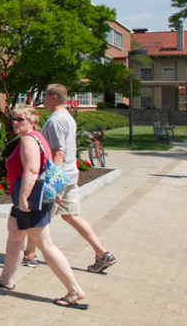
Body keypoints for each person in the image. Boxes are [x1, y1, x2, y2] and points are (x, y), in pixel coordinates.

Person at [0, 104, 88, 310]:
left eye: (21, 119)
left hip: (29, 199)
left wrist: (24, 200)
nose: (15, 123)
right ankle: (6, 278)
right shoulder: (39, 138)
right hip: (31, 197)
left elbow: (32, 171)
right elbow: (47, 166)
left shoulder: (29, 140)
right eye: (14, 119)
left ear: (32, 121)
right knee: (14, 235)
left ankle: (74, 290)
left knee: (45, 245)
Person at [23, 84, 117, 273]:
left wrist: (52, 184)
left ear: (53, 98)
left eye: (45, 94)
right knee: (70, 215)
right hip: (70, 174)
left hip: (59, 176)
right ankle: (102, 253)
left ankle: (30, 255)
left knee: (37, 216)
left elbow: (58, 153)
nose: (43, 97)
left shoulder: (55, 121)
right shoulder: (67, 118)